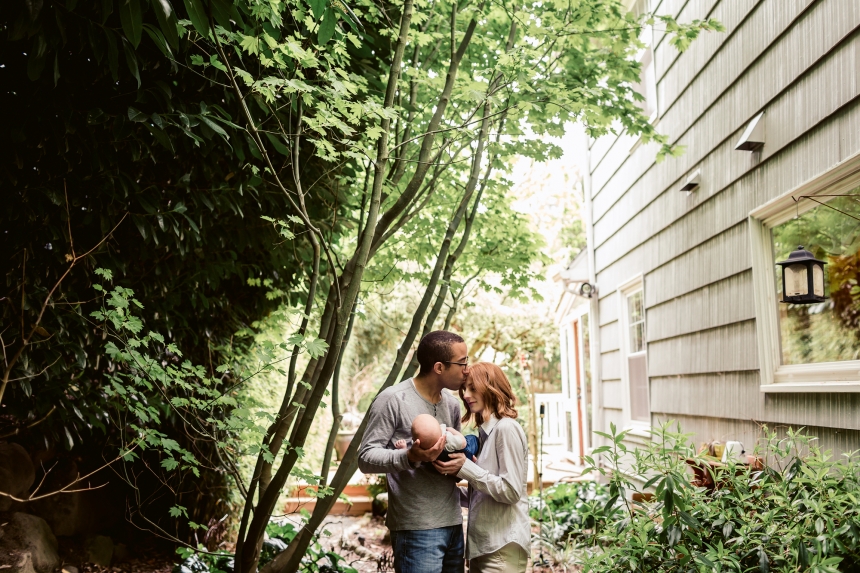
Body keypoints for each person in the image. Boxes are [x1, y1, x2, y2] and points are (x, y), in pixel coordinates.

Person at [358, 331, 471, 573]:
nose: (467, 370)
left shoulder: (451, 404)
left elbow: (451, 455)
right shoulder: (392, 399)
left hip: (453, 522)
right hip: (416, 528)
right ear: (439, 367)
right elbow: (366, 457)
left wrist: (461, 464)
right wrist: (409, 457)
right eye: (462, 363)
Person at [433, 363, 530, 573]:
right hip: (485, 548)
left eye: (473, 388)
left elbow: (511, 491)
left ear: (492, 388)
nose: (466, 395)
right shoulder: (486, 434)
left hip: (502, 549)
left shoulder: (506, 429)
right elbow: (484, 496)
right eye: (464, 389)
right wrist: (442, 487)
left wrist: (465, 467)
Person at [394, 413, 480, 462]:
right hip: (460, 452)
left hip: (439, 462)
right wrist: (451, 430)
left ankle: (403, 450)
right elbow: (463, 442)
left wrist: (405, 450)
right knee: (473, 440)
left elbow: (413, 453)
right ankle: (473, 459)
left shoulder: (419, 446)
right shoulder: (448, 440)